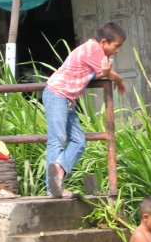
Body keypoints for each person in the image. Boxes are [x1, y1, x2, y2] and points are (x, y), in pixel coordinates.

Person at [44, 22, 128, 198]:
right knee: (57, 139)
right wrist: (118, 80)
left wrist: (107, 72)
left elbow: (98, 74)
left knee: (79, 142)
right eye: (116, 46)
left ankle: (57, 171)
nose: (118, 50)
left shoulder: (95, 52)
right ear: (104, 42)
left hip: (68, 100)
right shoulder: (93, 50)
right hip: (57, 95)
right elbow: (109, 74)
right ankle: (53, 188)